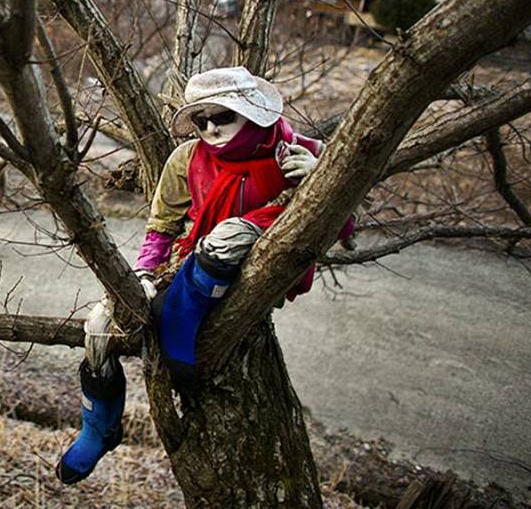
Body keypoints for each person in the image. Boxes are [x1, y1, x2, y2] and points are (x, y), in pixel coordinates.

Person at [56, 66, 348, 485]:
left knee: (225, 238)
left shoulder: (298, 152)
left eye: (222, 116)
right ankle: (98, 430)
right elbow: (162, 226)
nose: (210, 128)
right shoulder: (187, 159)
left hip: (247, 262)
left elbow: (342, 225)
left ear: (250, 111)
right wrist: (143, 273)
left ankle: (180, 320)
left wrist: (320, 181)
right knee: (99, 326)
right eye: (200, 120)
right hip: (188, 262)